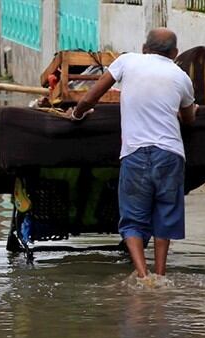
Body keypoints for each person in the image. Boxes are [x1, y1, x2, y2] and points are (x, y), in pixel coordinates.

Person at [67, 28, 197, 284]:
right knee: (165, 214)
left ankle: (142, 274)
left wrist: (78, 113)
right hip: (170, 154)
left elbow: (92, 96)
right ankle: (160, 274)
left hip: (135, 153)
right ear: (175, 53)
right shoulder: (181, 77)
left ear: (144, 47)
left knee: (133, 218)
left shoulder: (127, 61)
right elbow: (189, 119)